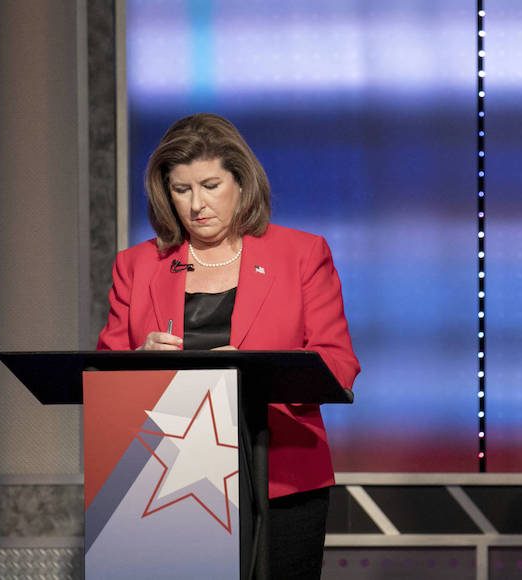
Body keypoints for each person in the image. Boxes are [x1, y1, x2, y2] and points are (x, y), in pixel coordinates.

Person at [96, 113, 360, 579]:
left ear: (241, 182)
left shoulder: (301, 255)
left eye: (210, 185)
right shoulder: (136, 266)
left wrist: (253, 372)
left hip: (279, 477)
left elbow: (337, 364)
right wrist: (139, 364)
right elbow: (102, 372)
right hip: (163, 478)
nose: (197, 204)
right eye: (182, 190)